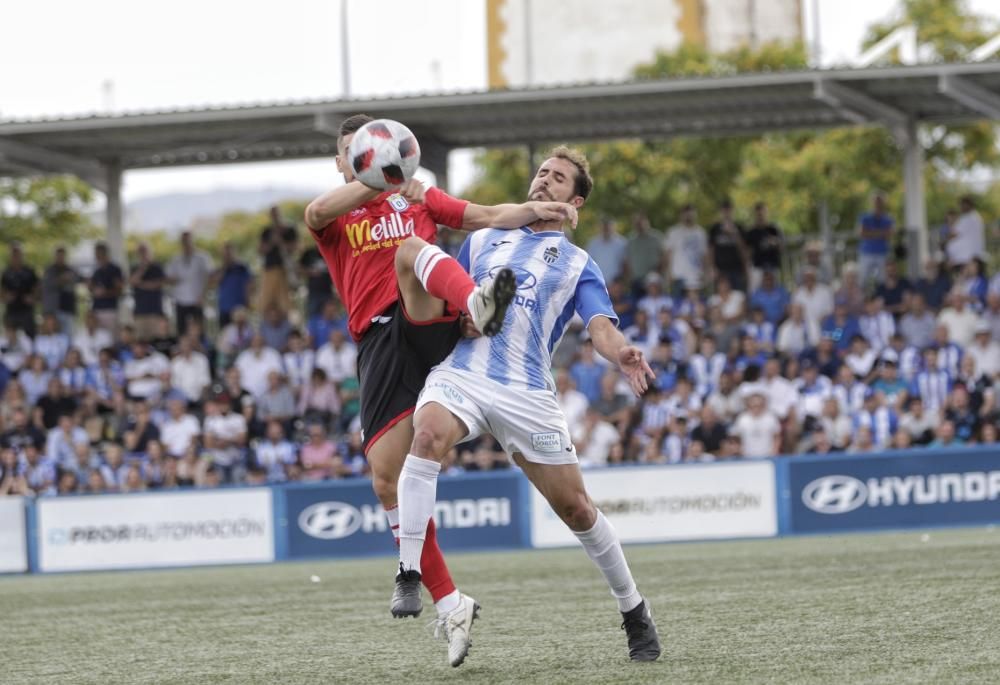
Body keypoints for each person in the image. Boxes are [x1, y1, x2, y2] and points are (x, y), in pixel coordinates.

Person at [302, 114, 579, 653]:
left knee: (412, 251)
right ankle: (451, 604)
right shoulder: (334, 217)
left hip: (429, 320)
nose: (364, 159)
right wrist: (379, 177)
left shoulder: (420, 196)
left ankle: (475, 300)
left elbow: (487, 214)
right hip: (380, 343)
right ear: (344, 163)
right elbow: (314, 211)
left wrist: (538, 209)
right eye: (353, 152)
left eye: (374, 150)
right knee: (387, 479)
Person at [391, 146, 661, 666]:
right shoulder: (482, 238)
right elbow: (449, 297)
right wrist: (457, 317)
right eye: (542, 173)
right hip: (464, 372)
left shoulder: (580, 263)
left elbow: (600, 325)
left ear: (574, 200)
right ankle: (408, 574)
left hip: (526, 391)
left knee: (577, 510)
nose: (544, 182)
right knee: (424, 438)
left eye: (557, 179)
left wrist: (618, 353)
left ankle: (633, 609)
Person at [165, 231, 213, 336]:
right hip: (180, 299)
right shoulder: (175, 259)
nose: (186, 243)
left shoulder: (202, 257)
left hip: (197, 299)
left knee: (199, 331)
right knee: (182, 331)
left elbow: (209, 277)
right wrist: (174, 279)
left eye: (188, 240)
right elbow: (168, 278)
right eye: (184, 241)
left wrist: (203, 295)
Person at [258, 206, 298, 314]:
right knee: (266, 301)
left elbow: (295, 248)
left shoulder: (289, 229)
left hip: (284, 270)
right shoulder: (267, 231)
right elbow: (261, 250)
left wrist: (281, 243)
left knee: (285, 302)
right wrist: (271, 242)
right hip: (270, 269)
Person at [707, 199, 750, 292]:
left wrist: (734, 234)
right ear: (721, 212)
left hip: (737, 269)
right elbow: (711, 250)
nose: (726, 213)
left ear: (732, 211)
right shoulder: (715, 228)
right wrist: (712, 267)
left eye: (729, 210)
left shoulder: (739, 227)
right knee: (720, 297)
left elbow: (744, 249)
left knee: (738, 296)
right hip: (720, 269)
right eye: (724, 210)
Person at [129, 243, 167, 342]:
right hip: (140, 312)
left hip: (155, 311)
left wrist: (141, 284)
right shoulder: (135, 268)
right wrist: (142, 268)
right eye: (141, 252)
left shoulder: (157, 267)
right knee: (140, 341)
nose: (143, 255)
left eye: (145, 252)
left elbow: (157, 285)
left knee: (157, 340)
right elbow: (132, 282)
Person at [41, 246, 81, 336]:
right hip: (53, 309)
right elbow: (45, 285)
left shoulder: (70, 269)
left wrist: (69, 278)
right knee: (54, 335)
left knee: (68, 335)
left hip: (68, 308)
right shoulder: (49, 270)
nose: (60, 258)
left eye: (62, 256)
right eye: (59, 256)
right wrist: (61, 279)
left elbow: (78, 279)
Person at [1, 242, 39, 337]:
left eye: (18, 254)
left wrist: (33, 298)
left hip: (27, 310)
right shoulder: (6, 272)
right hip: (12, 310)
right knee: (11, 337)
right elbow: (2, 290)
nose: (16, 257)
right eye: (14, 254)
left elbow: (37, 288)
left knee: (30, 336)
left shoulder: (29, 271)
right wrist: (6, 297)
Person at [857, 192, 894, 287]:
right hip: (866, 252)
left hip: (882, 252)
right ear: (871, 202)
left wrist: (871, 233)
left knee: (882, 279)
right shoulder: (865, 217)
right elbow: (862, 233)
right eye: (876, 201)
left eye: (880, 201)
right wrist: (881, 233)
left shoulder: (888, 218)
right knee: (862, 279)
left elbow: (889, 234)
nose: (877, 203)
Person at [212, 243, 253, 328]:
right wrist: (224, 268)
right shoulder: (220, 269)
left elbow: (249, 285)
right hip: (224, 309)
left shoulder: (242, 268)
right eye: (225, 254)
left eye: (229, 253)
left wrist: (248, 302)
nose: (227, 256)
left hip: (239, 309)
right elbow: (214, 283)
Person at [745, 202, 783, 290]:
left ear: (766, 213)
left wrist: (774, 242)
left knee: (774, 290)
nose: (761, 216)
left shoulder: (774, 229)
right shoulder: (751, 231)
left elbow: (781, 247)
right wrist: (747, 267)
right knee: (755, 290)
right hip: (757, 267)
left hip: (773, 266)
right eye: (758, 214)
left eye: (763, 213)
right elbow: (748, 251)